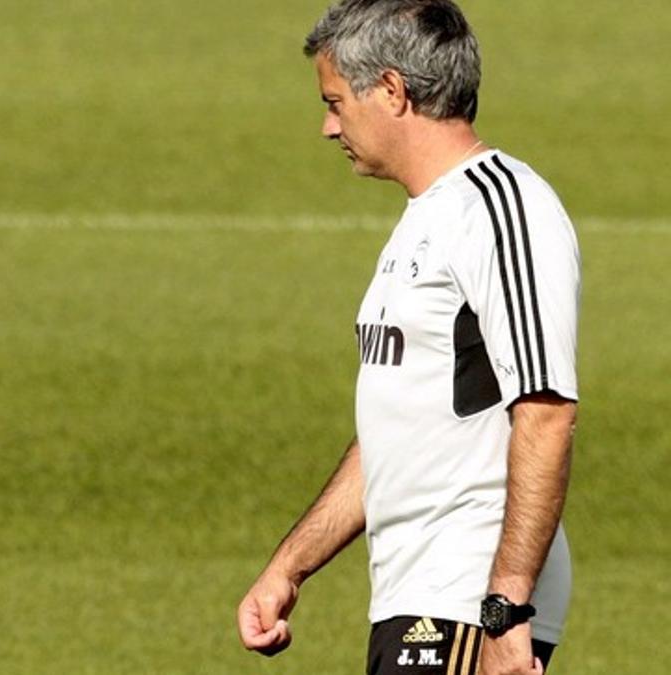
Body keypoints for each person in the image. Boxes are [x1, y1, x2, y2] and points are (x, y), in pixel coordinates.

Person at [236, 1, 580, 673]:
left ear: (392, 91)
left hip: (466, 597)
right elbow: (402, 432)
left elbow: (546, 409)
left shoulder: (500, 208)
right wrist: (291, 565)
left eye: (335, 101)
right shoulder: (428, 218)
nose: (327, 126)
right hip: (418, 593)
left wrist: (504, 610)